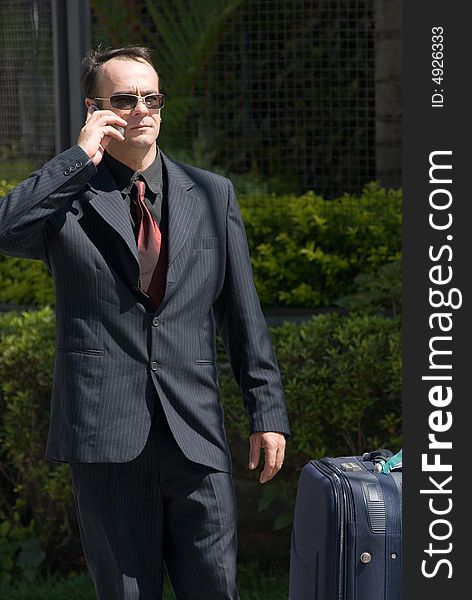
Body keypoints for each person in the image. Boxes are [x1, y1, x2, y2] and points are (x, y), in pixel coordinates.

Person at [0, 46, 290, 599]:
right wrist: (78, 158)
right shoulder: (69, 200)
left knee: (216, 589)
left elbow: (241, 311)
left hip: (194, 435)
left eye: (151, 97)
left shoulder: (210, 194)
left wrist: (266, 409)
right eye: (125, 99)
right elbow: (6, 229)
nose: (141, 109)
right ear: (96, 109)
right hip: (106, 437)